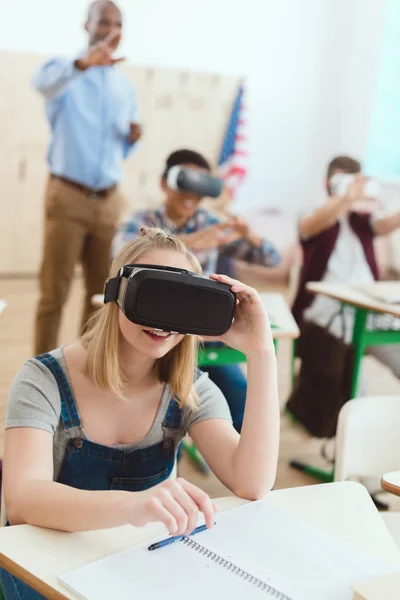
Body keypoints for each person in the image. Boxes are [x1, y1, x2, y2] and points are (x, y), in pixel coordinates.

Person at [0, 228, 279, 600]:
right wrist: (134, 505)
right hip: (42, 569)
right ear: (114, 296)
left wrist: (262, 353)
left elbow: (252, 482)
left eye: (180, 303)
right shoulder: (44, 379)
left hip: (136, 568)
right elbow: (22, 501)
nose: (164, 321)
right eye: (152, 296)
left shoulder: (189, 390)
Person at [112, 149, 280, 432]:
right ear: (164, 183)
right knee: (160, 413)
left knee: (240, 399)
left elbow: (271, 260)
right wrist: (193, 241)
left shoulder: (211, 223)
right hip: (146, 335)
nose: (192, 194)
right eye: (185, 183)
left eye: (201, 186)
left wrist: (251, 237)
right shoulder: (140, 220)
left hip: (198, 340)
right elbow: (119, 256)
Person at [33, 0, 141, 356]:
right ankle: (42, 372)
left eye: (118, 23)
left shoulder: (124, 89)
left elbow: (118, 151)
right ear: (86, 25)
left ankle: (85, 368)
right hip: (68, 197)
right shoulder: (65, 73)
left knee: (102, 294)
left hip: (109, 202)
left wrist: (131, 140)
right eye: (103, 21)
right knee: (54, 292)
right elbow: (42, 84)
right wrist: (82, 64)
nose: (111, 29)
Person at [292, 154, 400, 379]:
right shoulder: (311, 214)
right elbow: (313, 225)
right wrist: (345, 199)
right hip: (325, 310)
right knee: (347, 383)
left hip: (369, 308)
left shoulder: (363, 220)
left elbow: (386, 224)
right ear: (326, 183)